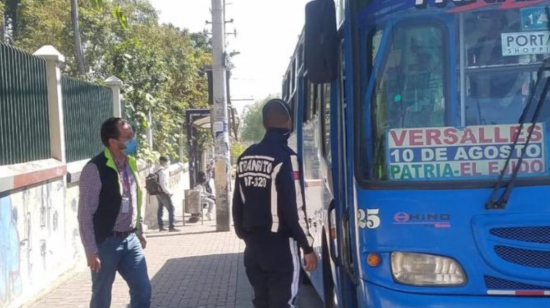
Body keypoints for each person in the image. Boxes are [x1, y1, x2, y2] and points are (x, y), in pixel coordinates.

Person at [232, 99, 317, 308]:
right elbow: (294, 208)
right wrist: (307, 247)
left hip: (253, 246)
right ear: (289, 124)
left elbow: (237, 204)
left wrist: (246, 236)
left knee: (261, 301)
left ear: (264, 124)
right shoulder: (287, 158)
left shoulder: (245, 156)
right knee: (283, 303)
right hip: (280, 247)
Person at [78, 118, 151, 308]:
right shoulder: (95, 169)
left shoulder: (131, 164)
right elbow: (85, 212)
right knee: (102, 296)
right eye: (127, 137)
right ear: (112, 141)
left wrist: (139, 229)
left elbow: (135, 199)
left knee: (143, 291)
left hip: (130, 239)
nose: (132, 140)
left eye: (132, 135)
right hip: (106, 243)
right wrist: (91, 251)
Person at [155, 156, 178, 232]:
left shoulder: (156, 169)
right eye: (167, 161)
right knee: (171, 208)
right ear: (163, 162)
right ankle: (171, 226)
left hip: (157, 192)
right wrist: (169, 192)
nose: (168, 163)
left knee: (160, 209)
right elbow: (163, 184)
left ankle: (161, 226)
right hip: (163, 193)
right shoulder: (163, 171)